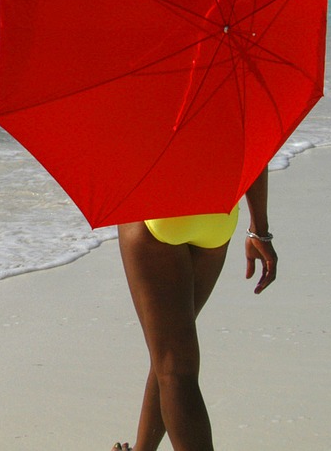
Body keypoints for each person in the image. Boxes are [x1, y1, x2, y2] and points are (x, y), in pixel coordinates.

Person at [112, 168, 277, 451]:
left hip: (157, 206)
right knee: (171, 352)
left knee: (174, 366)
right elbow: (254, 154)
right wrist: (259, 231)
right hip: (217, 215)